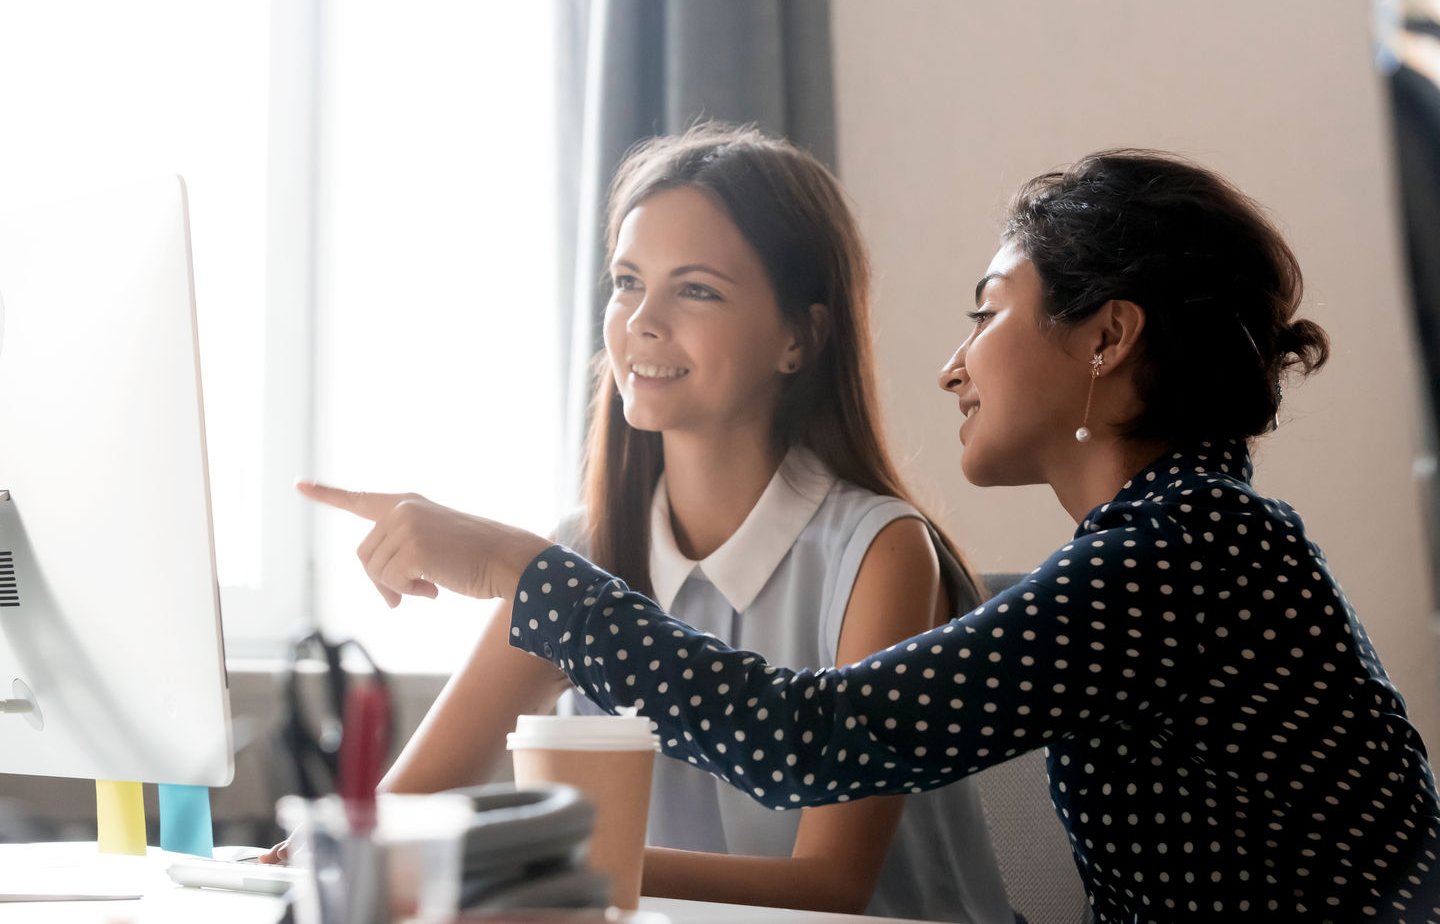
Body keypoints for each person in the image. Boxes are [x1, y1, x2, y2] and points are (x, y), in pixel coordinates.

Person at [303, 148, 1440, 922]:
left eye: (988, 311)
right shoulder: (1178, 542)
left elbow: (813, 740)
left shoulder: (1189, 550)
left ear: (1108, 337)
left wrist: (520, 572)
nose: (955, 362)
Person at [278, 123, 1014, 923]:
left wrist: (543, 860)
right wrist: (317, 856)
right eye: (628, 281)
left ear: (799, 337)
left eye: (695, 289)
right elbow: (400, 810)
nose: (642, 321)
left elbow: (830, 883)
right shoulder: (584, 553)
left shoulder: (879, 552)